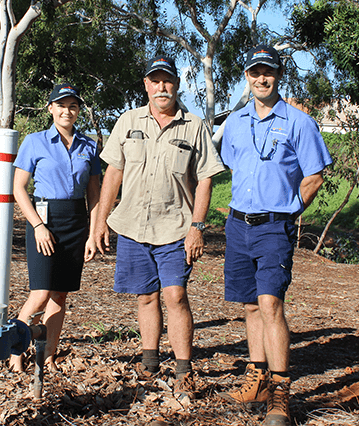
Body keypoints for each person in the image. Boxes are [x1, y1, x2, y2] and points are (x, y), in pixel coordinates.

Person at [93, 55, 225, 400]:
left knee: (175, 295)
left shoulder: (194, 126)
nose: (162, 86)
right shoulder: (128, 121)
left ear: (176, 85)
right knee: (146, 296)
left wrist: (197, 226)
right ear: (147, 85)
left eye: (168, 80)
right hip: (133, 226)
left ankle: (184, 370)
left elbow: (206, 179)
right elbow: (113, 173)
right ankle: (149, 362)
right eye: (156, 80)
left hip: (176, 228)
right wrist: (101, 221)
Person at [217, 45, 333, 426]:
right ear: (247, 77)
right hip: (237, 224)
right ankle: (257, 378)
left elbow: (314, 175)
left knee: (270, 305)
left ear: (279, 75)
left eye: (268, 72)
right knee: (250, 304)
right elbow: (234, 164)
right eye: (254, 72)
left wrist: (289, 208)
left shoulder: (300, 123)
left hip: (274, 226)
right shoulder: (234, 122)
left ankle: (281, 392)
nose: (261, 78)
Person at [9, 83, 101, 373]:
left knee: (60, 294)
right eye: (61, 105)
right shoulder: (35, 142)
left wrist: (94, 231)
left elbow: (94, 193)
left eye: (73, 106)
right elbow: (18, 188)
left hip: (76, 220)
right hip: (44, 219)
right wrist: (37, 225)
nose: (67, 111)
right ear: (51, 108)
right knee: (40, 292)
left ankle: (47, 354)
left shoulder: (89, 145)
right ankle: (15, 351)